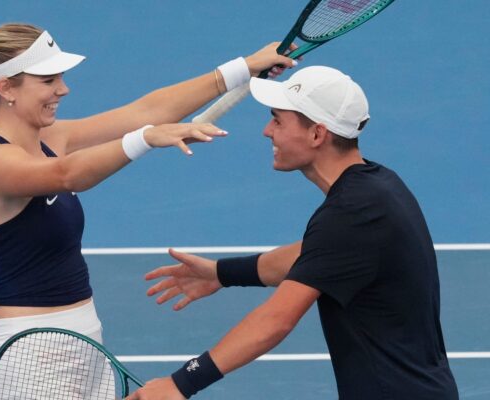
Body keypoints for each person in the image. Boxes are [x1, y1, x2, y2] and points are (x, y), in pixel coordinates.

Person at [0, 23, 296, 399]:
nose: (62, 89)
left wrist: (245, 67)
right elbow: (68, 175)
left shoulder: (51, 139)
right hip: (33, 356)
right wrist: (145, 138)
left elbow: (147, 110)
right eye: (48, 80)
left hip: (87, 341)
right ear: (6, 88)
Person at [127, 66, 459, 399]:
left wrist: (181, 383)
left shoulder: (350, 214)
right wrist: (221, 273)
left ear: (317, 134)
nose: (267, 131)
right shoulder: (377, 187)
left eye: (278, 120)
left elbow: (275, 320)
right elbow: (311, 254)